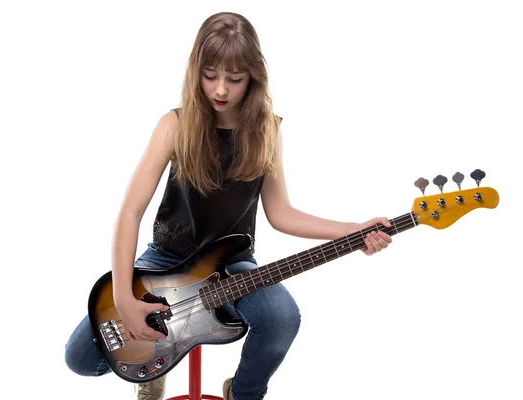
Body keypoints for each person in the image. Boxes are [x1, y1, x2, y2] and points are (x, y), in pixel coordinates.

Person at [64, 11, 393, 400]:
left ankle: (243, 393)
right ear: (195, 72)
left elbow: (281, 214)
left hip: (232, 264)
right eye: (210, 76)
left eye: (234, 79)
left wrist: (353, 230)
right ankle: (155, 360)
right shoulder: (174, 124)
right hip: (166, 258)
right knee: (82, 359)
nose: (220, 89)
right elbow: (130, 212)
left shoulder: (267, 130)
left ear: (252, 77)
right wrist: (123, 297)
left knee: (281, 317)